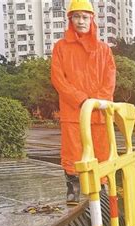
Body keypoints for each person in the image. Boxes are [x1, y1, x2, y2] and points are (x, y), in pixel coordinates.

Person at [51, 0, 116, 205]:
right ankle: (73, 185)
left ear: (92, 20)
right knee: (72, 151)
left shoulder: (103, 49)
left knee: (101, 150)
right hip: (73, 111)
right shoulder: (61, 47)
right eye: (76, 17)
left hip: (98, 112)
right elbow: (58, 78)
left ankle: (101, 186)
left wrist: (97, 101)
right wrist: (80, 100)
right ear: (70, 20)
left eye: (85, 17)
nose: (81, 21)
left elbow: (110, 78)